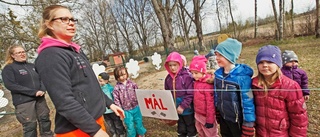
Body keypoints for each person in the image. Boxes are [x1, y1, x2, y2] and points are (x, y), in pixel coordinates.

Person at [35, 5, 124, 137]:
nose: (71, 23)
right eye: (63, 19)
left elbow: (90, 85)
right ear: (49, 24)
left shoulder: (75, 50)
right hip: (76, 129)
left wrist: (109, 103)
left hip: (93, 120)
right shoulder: (50, 56)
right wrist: (95, 131)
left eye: (72, 19)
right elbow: (64, 101)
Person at [252, 45, 308, 136]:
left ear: (278, 64)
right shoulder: (254, 84)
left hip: (281, 133)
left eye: (269, 62)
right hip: (261, 133)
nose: (265, 65)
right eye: (261, 62)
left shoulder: (291, 86)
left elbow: (298, 117)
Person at [1, 45, 54, 137]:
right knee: (30, 126)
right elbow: (11, 85)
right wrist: (33, 92)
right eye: (19, 52)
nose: (22, 54)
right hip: (24, 102)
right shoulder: (9, 68)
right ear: (12, 55)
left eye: (23, 52)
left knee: (45, 120)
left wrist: (42, 89)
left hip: (40, 99)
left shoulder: (32, 66)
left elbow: (42, 79)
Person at [213, 38, 255, 137]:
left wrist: (248, 122)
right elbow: (216, 94)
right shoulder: (218, 75)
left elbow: (248, 100)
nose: (217, 58)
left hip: (237, 121)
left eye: (220, 55)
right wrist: (218, 110)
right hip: (224, 117)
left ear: (230, 56)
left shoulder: (242, 78)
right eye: (216, 55)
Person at [164, 52, 197, 137]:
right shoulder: (168, 79)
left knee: (190, 126)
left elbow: (190, 93)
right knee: (181, 126)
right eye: (170, 65)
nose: (172, 67)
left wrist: (183, 106)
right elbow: (167, 94)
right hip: (176, 109)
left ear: (180, 64)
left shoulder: (187, 77)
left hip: (187, 108)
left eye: (175, 65)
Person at [189, 55, 219, 137]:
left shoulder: (207, 85)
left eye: (196, 73)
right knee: (201, 132)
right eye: (192, 73)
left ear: (203, 72)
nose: (193, 76)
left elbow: (210, 104)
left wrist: (210, 120)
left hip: (207, 116)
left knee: (210, 134)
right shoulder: (196, 82)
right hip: (198, 114)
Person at [112, 66, 146, 137]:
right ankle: (131, 135)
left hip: (136, 107)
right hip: (126, 110)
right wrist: (120, 110)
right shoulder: (116, 88)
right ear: (117, 77)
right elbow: (116, 100)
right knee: (129, 125)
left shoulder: (132, 84)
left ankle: (141, 133)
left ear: (127, 74)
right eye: (121, 75)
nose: (123, 77)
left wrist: (141, 102)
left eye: (124, 74)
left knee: (138, 121)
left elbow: (138, 93)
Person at [98, 72, 126, 137]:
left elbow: (115, 98)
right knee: (109, 123)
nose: (99, 82)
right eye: (98, 81)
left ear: (106, 81)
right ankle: (114, 133)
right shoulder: (98, 89)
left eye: (101, 81)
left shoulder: (111, 89)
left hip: (112, 110)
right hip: (105, 111)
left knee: (117, 122)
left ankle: (121, 132)